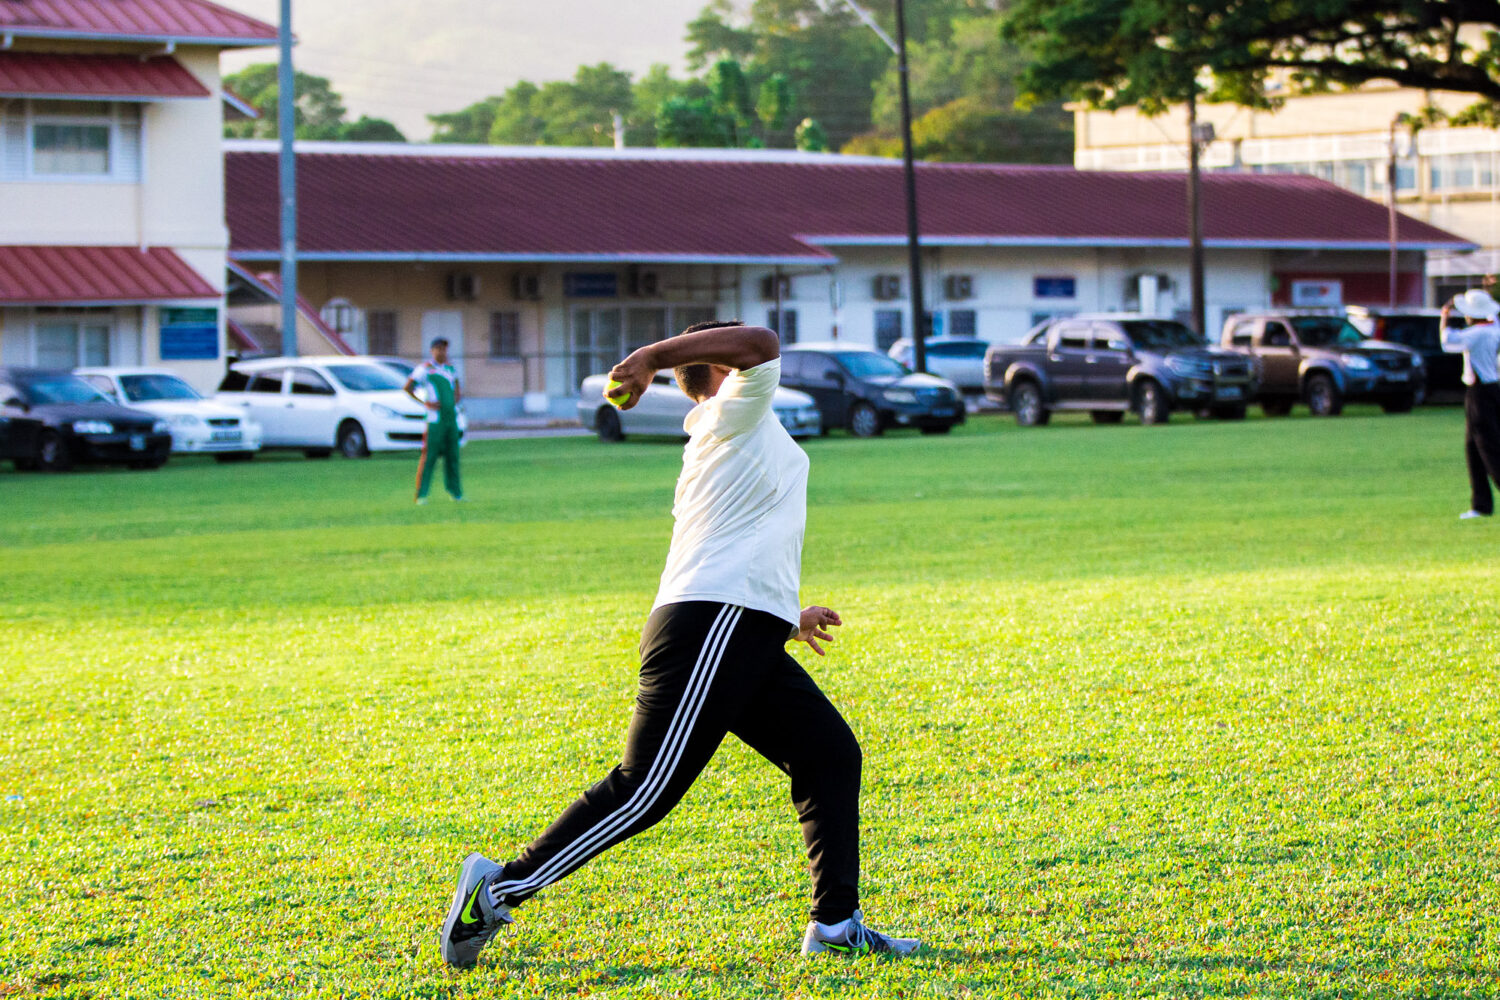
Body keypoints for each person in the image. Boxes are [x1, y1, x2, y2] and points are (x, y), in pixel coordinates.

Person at [437, 320, 918, 966]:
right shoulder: (735, 407)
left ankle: (835, 923)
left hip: (738, 628)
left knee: (829, 754)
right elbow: (762, 342)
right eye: (728, 349)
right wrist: (650, 356)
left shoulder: (725, 432)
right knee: (644, 791)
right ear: (723, 368)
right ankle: (495, 891)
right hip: (712, 626)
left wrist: (784, 616)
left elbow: (732, 543)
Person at [1440, 288, 1500, 519]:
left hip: (1480, 393)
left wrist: (1445, 316)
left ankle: (1482, 503)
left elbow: (1448, 341)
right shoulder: (1493, 328)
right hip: (1491, 389)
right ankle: (1480, 504)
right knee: (1473, 448)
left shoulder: (1477, 334)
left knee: (1489, 448)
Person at [404, 338, 463, 504]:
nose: (442, 352)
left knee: (453, 456)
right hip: (435, 420)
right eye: (438, 349)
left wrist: (454, 400)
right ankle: (421, 495)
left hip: (450, 419)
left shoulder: (450, 369)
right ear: (432, 351)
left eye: (444, 349)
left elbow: (457, 388)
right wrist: (425, 403)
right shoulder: (425, 369)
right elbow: (408, 387)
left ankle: (455, 493)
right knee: (429, 456)